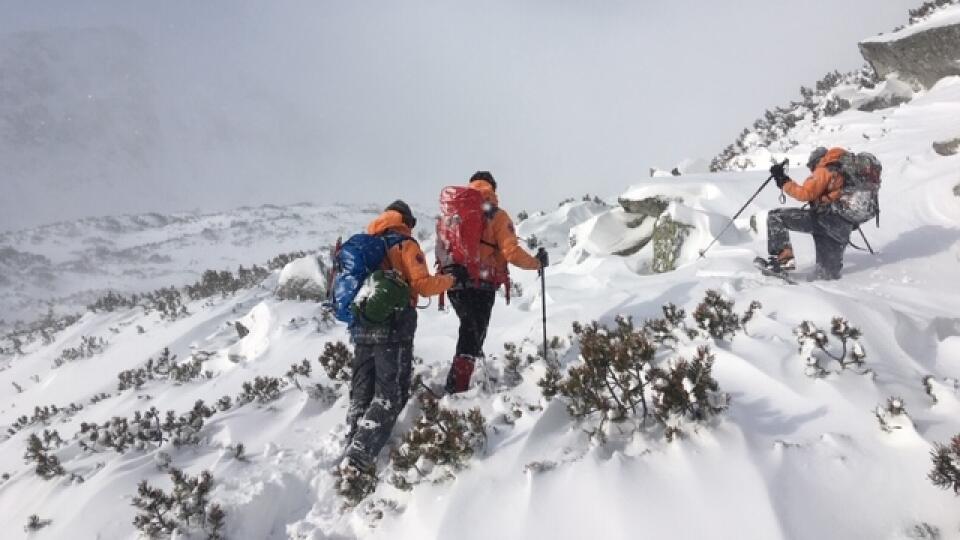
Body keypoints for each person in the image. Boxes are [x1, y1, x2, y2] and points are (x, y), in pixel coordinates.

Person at [340, 200, 459, 479]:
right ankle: (358, 459)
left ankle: (354, 441)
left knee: (362, 392)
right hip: (393, 326)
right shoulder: (404, 243)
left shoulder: (368, 245)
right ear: (406, 220)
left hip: (362, 324)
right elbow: (422, 285)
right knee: (389, 394)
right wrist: (450, 280)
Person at [442, 171, 548, 394]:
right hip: (481, 283)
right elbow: (511, 252)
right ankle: (457, 389)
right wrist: (537, 263)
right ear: (493, 188)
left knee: (469, 330)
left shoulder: (454, 212)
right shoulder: (497, 215)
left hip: (453, 281)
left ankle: (461, 380)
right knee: (472, 333)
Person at [760, 147, 854, 280]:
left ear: (817, 161)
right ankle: (821, 290)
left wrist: (783, 180)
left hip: (824, 221)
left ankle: (782, 263)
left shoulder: (824, 169)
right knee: (826, 275)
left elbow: (805, 193)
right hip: (842, 228)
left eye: (811, 167)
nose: (812, 171)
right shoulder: (844, 173)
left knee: (776, 217)